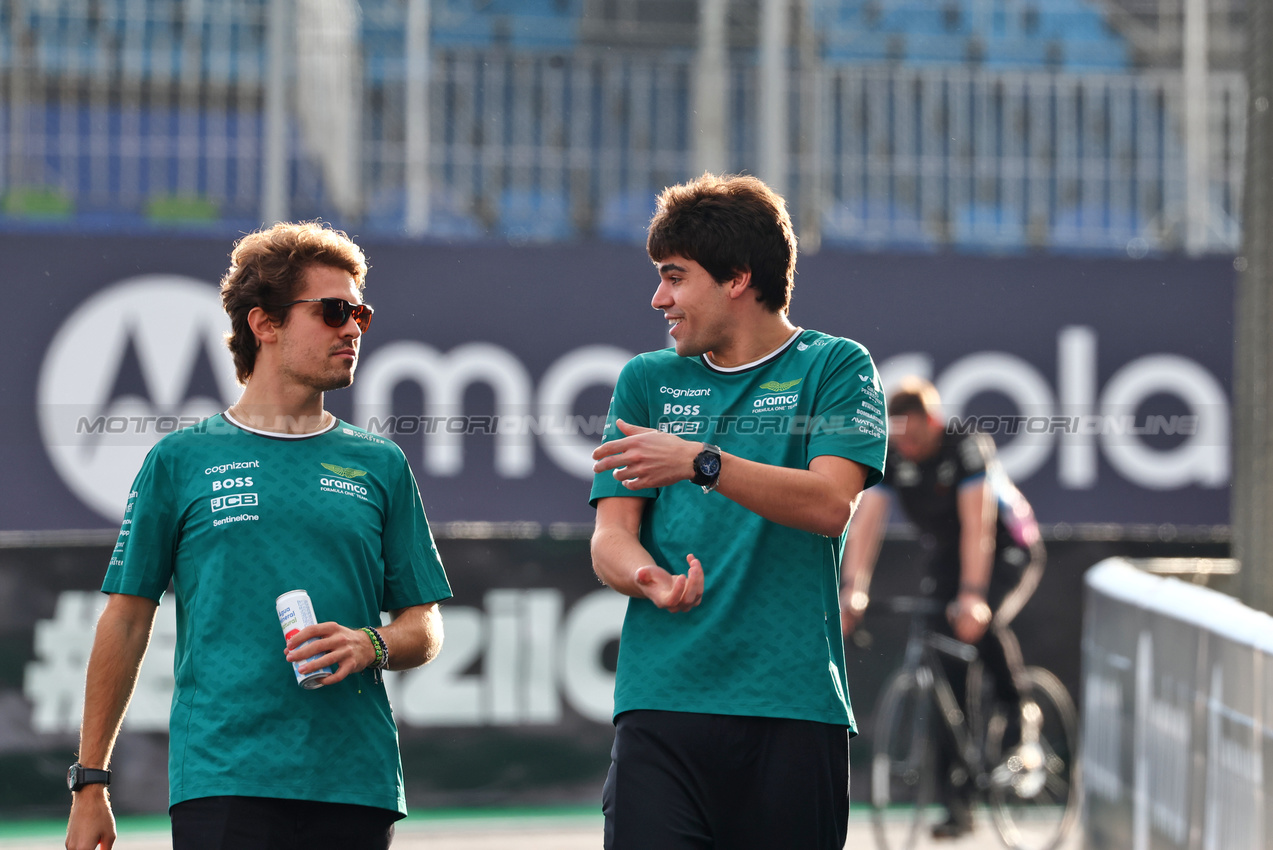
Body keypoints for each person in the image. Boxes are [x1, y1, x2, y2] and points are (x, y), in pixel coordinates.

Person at [65, 222, 452, 850]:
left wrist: (370, 644)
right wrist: (90, 782)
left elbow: (424, 624)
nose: (352, 328)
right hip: (223, 780)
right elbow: (127, 619)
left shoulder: (382, 464)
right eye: (332, 312)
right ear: (264, 324)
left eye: (360, 313)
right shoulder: (181, 460)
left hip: (355, 782)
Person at [589, 173, 888, 850]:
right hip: (660, 701)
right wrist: (646, 578)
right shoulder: (646, 379)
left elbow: (829, 505)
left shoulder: (835, 366)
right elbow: (610, 537)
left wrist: (702, 462)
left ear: (735, 279)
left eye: (675, 277)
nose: (658, 298)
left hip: (791, 706)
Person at [840, 377, 1045, 839]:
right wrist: (854, 589)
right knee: (946, 679)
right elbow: (867, 523)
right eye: (898, 439)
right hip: (949, 557)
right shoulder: (894, 453)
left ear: (933, 422)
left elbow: (980, 527)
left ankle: (1021, 716)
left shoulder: (966, 446)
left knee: (977, 622)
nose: (906, 448)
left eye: (913, 437)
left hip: (1008, 549)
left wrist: (973, 595)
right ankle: (958, 801)